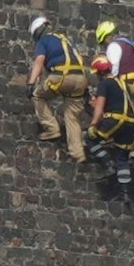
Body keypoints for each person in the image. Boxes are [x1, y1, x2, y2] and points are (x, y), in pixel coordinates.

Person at [27, 15, 88, 161]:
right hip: (80, 79)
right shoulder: (66, 40)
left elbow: (39, 61)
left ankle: (52, 129)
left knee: (37, 95)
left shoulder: (44, 40)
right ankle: (78, 154)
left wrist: (31, 83)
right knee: (72, 115)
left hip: (62, 76)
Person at [86, 56, 134, 195]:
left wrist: (93, 124)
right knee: (122, 158)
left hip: (115, 120)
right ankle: (125, 192)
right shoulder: (122, 84)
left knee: (90, 139)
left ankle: (107, 163)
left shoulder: (105, 84)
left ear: (99, 73)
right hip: (131, 125)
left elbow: (100, 106)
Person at [92, 18, 134, 106]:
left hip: (128, 86)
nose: (105, 46)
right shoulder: (132, 46)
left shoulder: (113, 46)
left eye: (103, 42)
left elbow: (114, 70)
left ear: (107, 37)